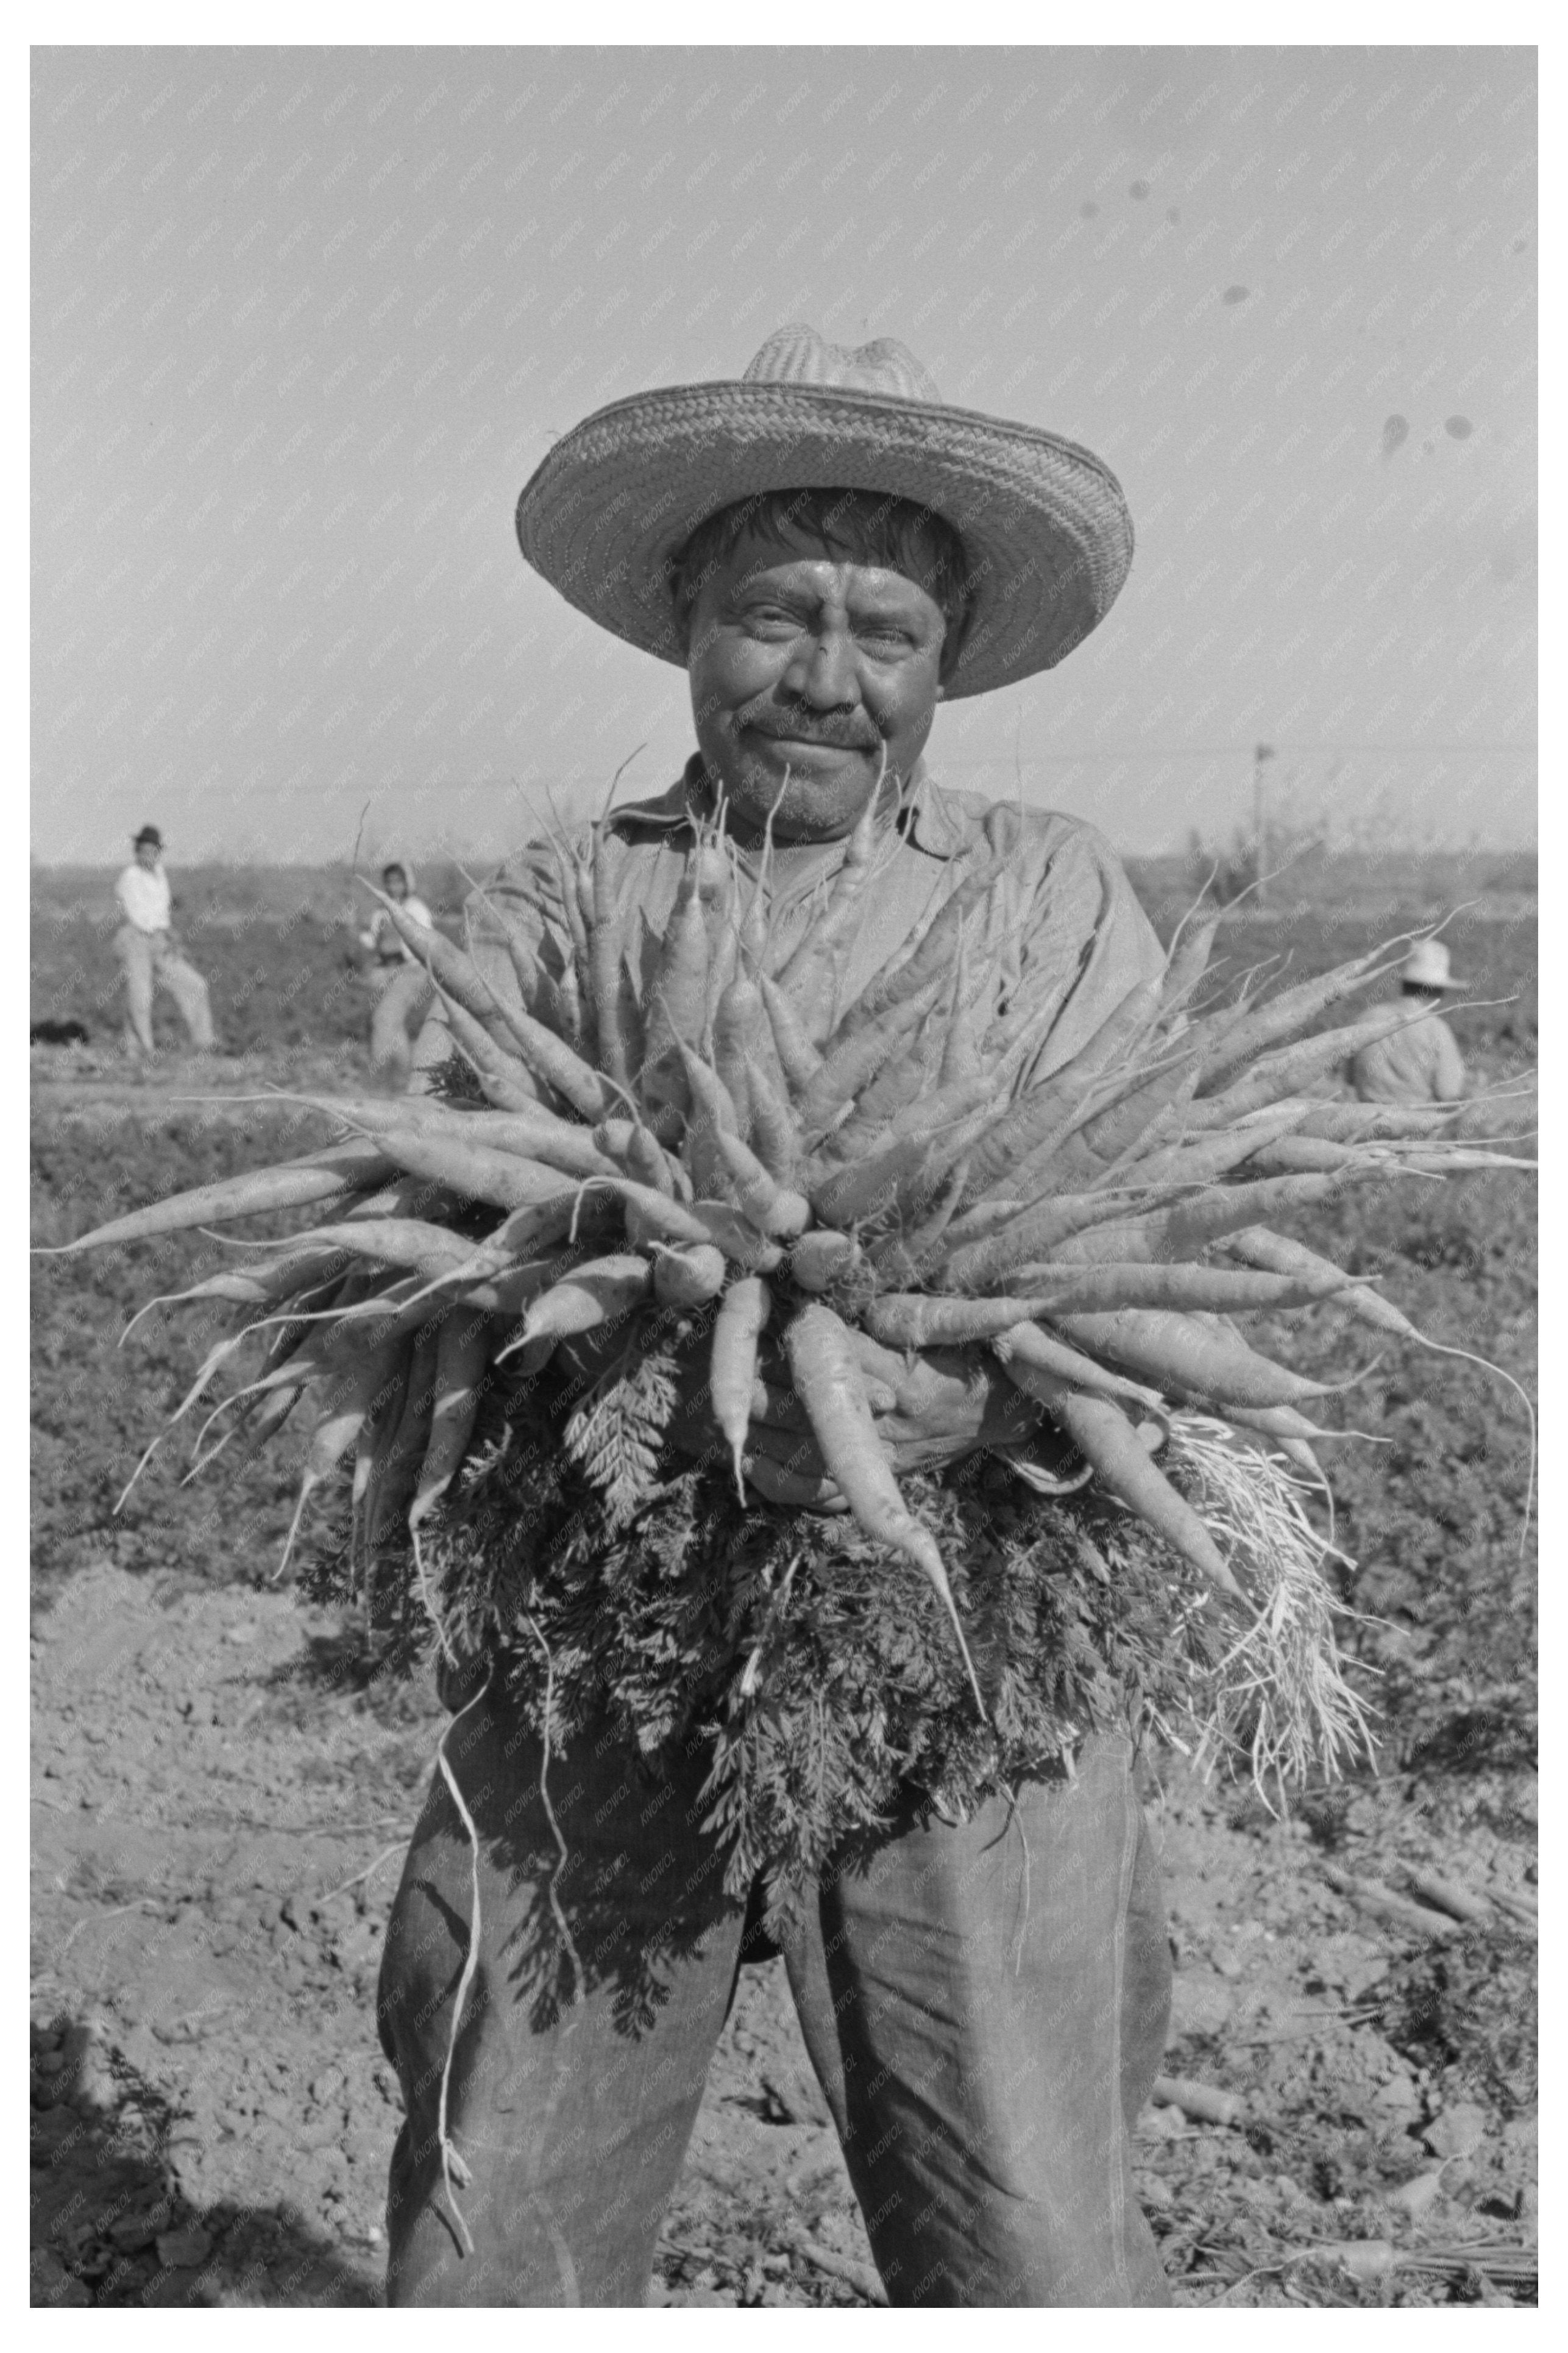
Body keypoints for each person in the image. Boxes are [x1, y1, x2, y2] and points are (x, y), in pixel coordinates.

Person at [380, 324, 1176, 2307]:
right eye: (773, 616)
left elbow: (1136, 1235)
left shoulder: (1050, 896)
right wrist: (569, 1356)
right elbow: (430, 1223)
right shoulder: (563, 903)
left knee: (1025, 2217)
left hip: (964, 1624)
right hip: (598, 1613)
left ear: (946, 659)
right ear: (683, 624)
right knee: (507, 2197)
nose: (823, 677)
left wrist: (957, 1405)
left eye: (880, 632)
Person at [112, 825, 215, 1058]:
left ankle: (204, 1043)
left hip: (160, 939)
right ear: (137, 852)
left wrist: (169, 935)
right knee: (140, 996)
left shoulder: (160, 874)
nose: (148, 855)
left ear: (158, 853)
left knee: (195, 985)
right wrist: (160, 931)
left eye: (153, 851)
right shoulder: (131, 877)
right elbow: (138, 915)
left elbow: (162, 911)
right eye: (143, 851)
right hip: (136, 939)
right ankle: (140, 1051)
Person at [1348, 939, 1467, 1105]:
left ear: (1404, 984)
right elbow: (1448, 1092)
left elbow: (1349, 1078)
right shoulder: (1436, 1029)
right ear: (1438, 990)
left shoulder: (1365, 1019)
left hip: (1364, 1123)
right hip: (1416, 1123)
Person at [358, 860, 437, 1087]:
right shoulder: (381, 912)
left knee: (383, 1019)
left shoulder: (415, 909)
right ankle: (405, 1079)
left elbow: (426, 941)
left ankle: (377, 1078)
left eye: (398, 882)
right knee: (393, 1024)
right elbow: (372, 940)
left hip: (412, 970)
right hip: (387, 970)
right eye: (389, 882)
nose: (393, 887)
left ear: (407, 884)